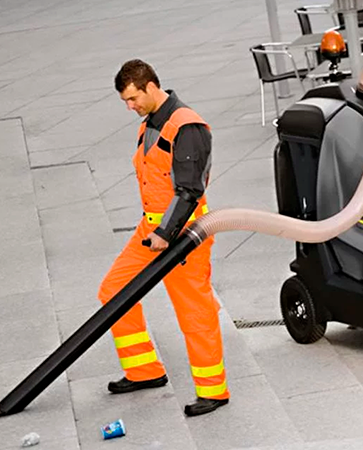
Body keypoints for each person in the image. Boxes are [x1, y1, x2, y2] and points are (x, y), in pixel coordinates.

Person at [98, 59, 229, 417]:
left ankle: (213, 390)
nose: (130, 107)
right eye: (125, 101)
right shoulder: (151, 122)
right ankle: (144, 371)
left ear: (151, 87)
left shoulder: (187, 127)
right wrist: (155, 231)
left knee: (194, 311)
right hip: (151, 229)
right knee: (113, 290)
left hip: (183, 234)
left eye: (133, 98)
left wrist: (165, 233)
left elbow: (189, 190)